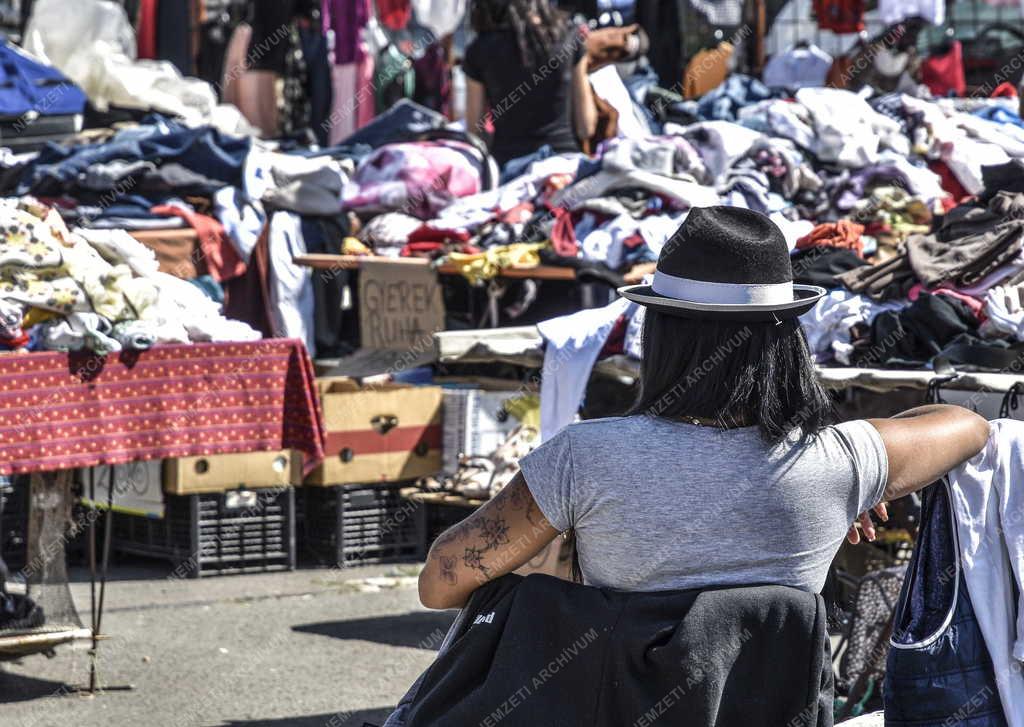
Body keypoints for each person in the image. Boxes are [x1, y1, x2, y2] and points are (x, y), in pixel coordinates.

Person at [419, 206, 990, 610]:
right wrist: (861, 478)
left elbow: (440, 583)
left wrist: (555, 559)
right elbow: (969, 425)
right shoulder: (837, 460)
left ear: (661, 336)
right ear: (788, 339)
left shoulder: (587, 457)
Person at [462, 0, 597, 167]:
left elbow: (475, 131)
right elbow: (586, 126)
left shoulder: (479, 49)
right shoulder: (569, 36)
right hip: (566, 163)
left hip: (510, 167)